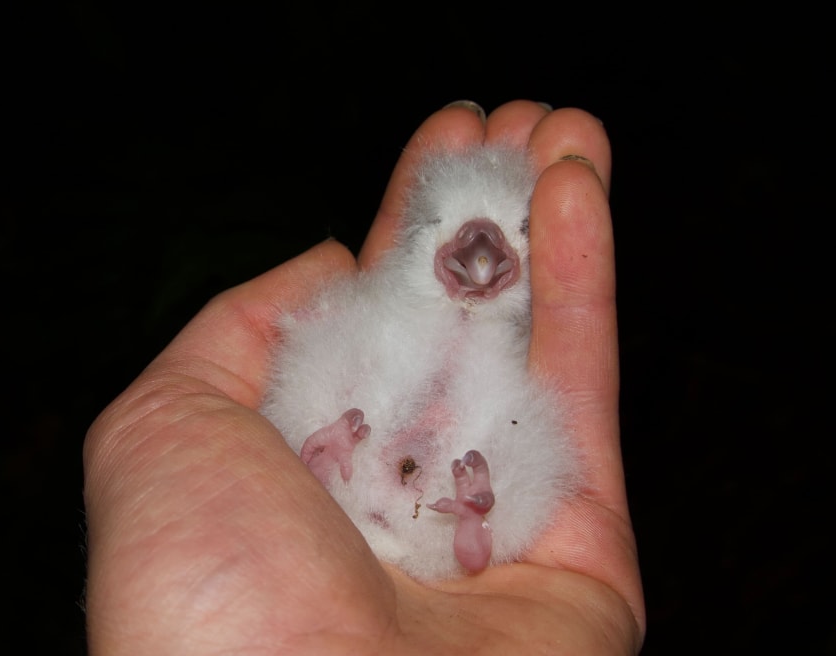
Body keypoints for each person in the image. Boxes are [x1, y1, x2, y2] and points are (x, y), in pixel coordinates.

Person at [82, 100, 646, 654]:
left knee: (532, 439)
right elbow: (312, 362)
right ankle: (354, 469)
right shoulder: (376, 312)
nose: (481, 243)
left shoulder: (511, 367)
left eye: (517, 230)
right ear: (419, 238)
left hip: (432, 520)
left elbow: (536, 452)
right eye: (446, 223)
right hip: (345, 502)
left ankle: (472, 517)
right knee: (326, 346)